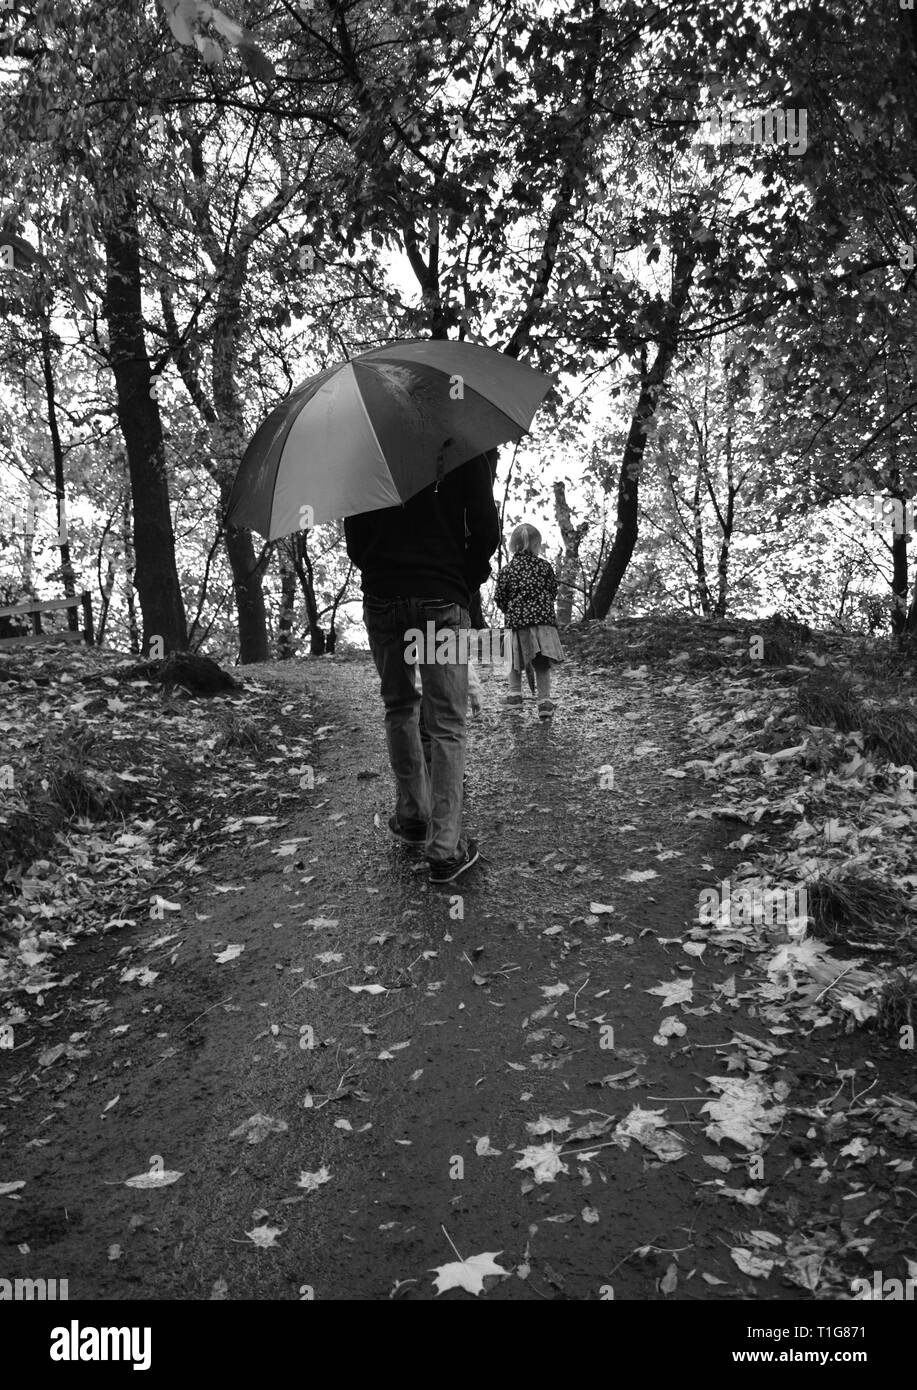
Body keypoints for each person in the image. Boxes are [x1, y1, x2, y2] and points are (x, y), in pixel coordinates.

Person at [344, 451, 500, 884]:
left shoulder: (368, 455)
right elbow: (487, 529)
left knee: (399, 706)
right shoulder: (461, 449)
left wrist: (384, 573)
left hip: (383, 599)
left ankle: (413, 815)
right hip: (441, 597)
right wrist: (461, 580)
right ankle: (445, 848)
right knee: (447, 721)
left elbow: (355, 542)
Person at [494, 522, 564, 719]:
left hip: (517, 624)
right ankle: (544, 703)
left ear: (512, 546)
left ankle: (515, 696)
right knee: (541, 663)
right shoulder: (545, 567)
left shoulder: (507, 571)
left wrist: (510, 610)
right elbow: (552, 591)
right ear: (536, 546)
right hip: (543, 624)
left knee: (515, 660)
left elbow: (500, 596)